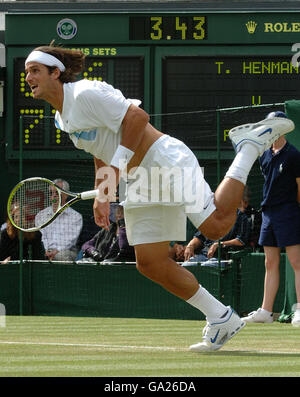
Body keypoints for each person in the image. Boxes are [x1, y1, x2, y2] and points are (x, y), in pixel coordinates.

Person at [24, 45, 295, 352]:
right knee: (150, 262)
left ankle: (247, 148)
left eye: (35, 71)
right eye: (27, 73)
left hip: (164, 160)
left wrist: (113, 173)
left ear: (55, 72)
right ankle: (221, 317)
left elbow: (137, 117)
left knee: (216, 226)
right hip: (140, 181)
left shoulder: (84, 94)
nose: (28, 78)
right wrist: (103, 193)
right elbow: (98, 151)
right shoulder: (63, 118)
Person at [242, 111, 300, 327]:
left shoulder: (294, 155)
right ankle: (266, 311)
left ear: (283, 128)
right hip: (268, 213)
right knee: (270, 262)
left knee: (296, 262)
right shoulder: (264, 155)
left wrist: (293, 210)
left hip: (289, 212)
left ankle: (299, 310)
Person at [182, 197, 251, 266]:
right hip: (203, 255)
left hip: (222, 257)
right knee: (186, 266)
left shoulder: (240, 216)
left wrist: (219, 244)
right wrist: (190, 246)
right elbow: (200, 237)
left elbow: (241, 241)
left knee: (206, 267)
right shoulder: (210, 214)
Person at [35, 178, 83, 261]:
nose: (54, 196)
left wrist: (56, 251)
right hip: (44, 251)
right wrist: (46, 251)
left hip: (66, 251)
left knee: (62, 256)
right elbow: (42, 237)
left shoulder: (76, 216)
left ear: (66, 194)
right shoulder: (40, 215)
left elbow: (71, 241)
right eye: (51, 193)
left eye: (57, 192)